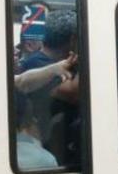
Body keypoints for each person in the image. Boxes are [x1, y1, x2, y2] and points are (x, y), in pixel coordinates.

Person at [17, 9, 80, 165]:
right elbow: (73, 93)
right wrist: (86, 52)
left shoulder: (59, 64)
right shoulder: (37, 65)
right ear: (73, 39)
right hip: (47, 151)